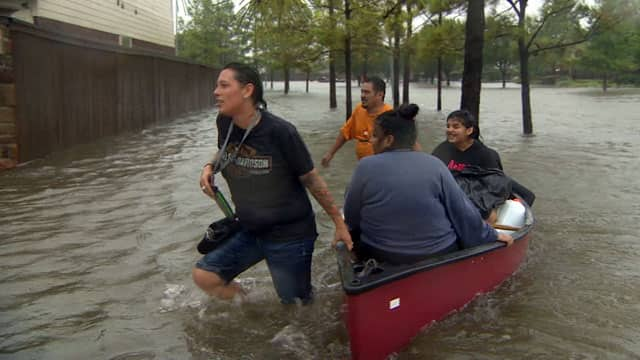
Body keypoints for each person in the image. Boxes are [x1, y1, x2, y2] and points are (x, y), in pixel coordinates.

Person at [195, 63, 352, 304]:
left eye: (224, 85)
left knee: (297, 307)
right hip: (250, 228)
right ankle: (251, 309)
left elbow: (311, 179)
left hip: (289, 235)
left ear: (247, 91)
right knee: (205, 276)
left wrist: (339, 224)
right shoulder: (224, 122)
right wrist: (209, 167)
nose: (216, 91)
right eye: (217, 85)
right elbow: (224, 151)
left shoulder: (281, 132)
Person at [341, 104, 513, 265]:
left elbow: (351, 215)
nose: (370, 140)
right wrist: (492, 234)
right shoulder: (435, 164)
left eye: (375, 135)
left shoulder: (365, 166)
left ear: (388, 140)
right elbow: (463, 213)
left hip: (381, 252)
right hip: (437, 252)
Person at [432, 110, 535, 214]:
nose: (450, 130)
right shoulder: (442, 149)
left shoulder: (485, 155)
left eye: (455, 127)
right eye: (448, 126)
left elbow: (496, 187)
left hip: (476, 202)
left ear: (469, 130)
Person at [321, 76, 392, 167]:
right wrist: (330, 153)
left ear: (380, 95)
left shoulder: (390, 115)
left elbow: (407, 142)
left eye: (367, 92)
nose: (362, 95)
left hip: (382, 168)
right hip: (362, 166)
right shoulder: (359, 110)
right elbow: (345, 133)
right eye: (362, 92)